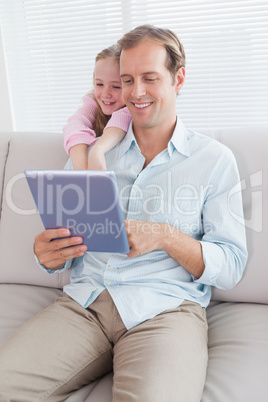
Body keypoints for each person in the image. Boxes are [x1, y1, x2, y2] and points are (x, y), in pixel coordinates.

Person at [0, 25, 248, 401]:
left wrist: (165, 236)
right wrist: (47, 255)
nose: (136, 92)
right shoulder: (88, 153)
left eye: (150, 78)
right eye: (127, 80)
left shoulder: (213, 160)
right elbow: (61, 243)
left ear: (178, 79)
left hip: (165, 311)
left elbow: (230, 265)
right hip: (86, 304)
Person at [63, 44, 132, 170]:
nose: (105, 94)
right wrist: (81, 168)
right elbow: (75, 124)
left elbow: (121, 119)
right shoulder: (93, 101)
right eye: (99, 84)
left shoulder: (134, 107)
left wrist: (97, 150)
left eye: (116, 86)